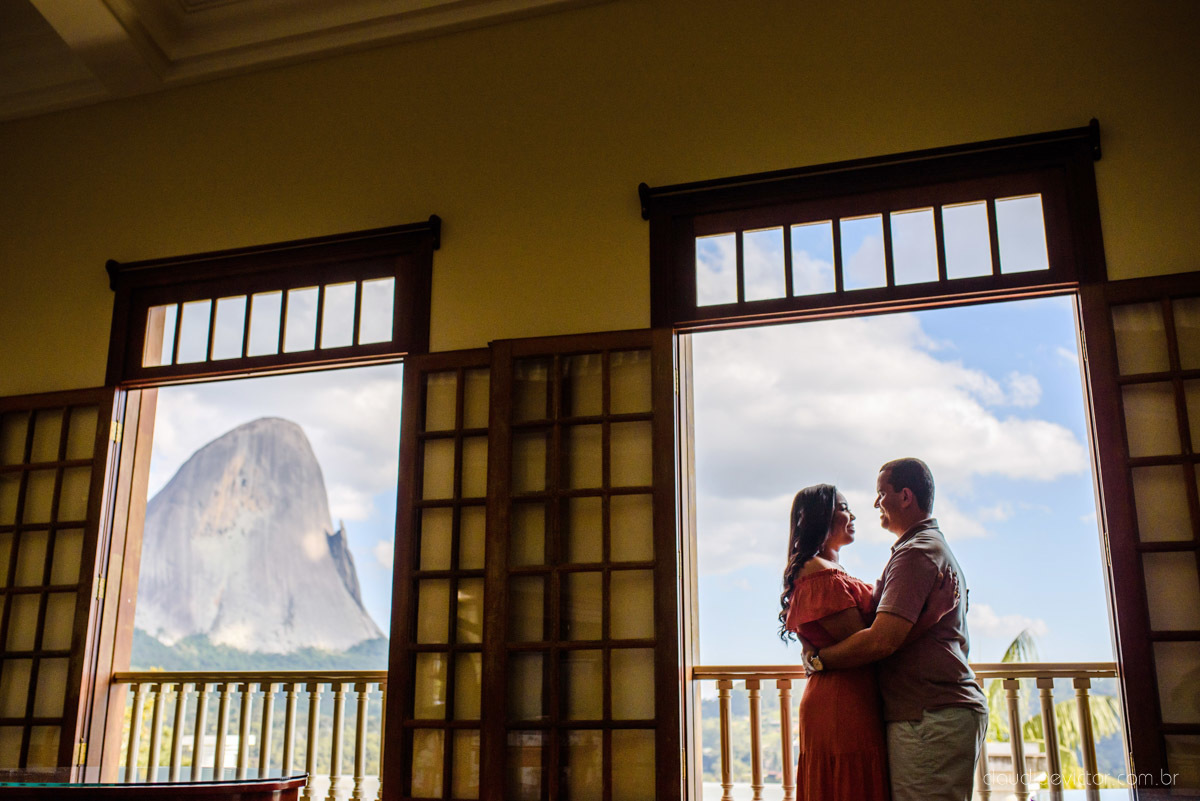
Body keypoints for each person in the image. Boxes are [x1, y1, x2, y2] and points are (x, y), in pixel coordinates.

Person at [805, 458, 988, 801]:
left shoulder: (916, 554)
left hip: (928, 715)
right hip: (930, 712)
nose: (876, 504)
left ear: (905, 496)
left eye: (881, 494)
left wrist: (819, 659)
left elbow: (881, 640)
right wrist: (930, 617)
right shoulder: (923, 547)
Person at [779, 483, 890, 801]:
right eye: (843, 508)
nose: (852, 515)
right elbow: (864, 645)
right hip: (843, 703)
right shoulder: (819, 574)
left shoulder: (827, 571)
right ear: (820, 517)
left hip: (846, 696)